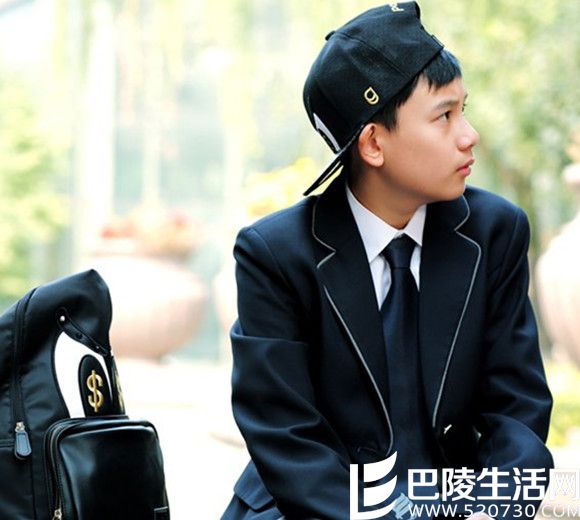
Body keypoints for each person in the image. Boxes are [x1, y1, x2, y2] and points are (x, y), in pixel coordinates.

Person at [222, 3, 553, 519]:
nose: (469, 135)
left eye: (464, 109)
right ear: (374, 143)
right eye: (444, 116)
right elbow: (286, 438)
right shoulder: (276, 255)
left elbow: (518, 411)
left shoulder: (494, 233)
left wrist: (489, 511)